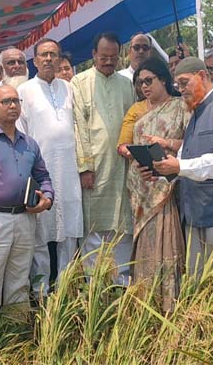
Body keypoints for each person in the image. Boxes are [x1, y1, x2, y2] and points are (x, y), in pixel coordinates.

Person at [0, 84, 53, 351]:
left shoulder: (30, 143)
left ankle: (14, 342)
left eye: (16, 100)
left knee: (19, 284)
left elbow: (44, 177)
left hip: (24, 220)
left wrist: (47, 198)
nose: (13, 105)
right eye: (6, 101)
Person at [153, 57, 213, 278]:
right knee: (199, 290)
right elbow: (186, 164)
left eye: (185, 82)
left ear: (202, 76)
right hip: (194, 215)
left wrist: (179, 166)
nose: (181, 89)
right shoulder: (195, 113)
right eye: (177, 85)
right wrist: (162, 172)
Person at [16, 38, 83, 296]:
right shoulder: (24, 91)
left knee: (68, 230)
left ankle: (66, 290)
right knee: (40, 234)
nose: (48, 59)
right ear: (34, 61)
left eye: (53, 55)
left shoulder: (69, 88)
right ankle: (41, 293)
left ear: (59, 59)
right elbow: (21, 134)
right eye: (43, 55)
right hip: (39, 172)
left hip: (69, 170)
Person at [71, 32, 136, 284]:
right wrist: (85, 167)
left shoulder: (126, 84)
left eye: (113, 57)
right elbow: (79, 126)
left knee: (122, 225)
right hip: (94, 168)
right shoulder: (80, 82)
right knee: (94, 228)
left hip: (122, 167)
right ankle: (94, 286)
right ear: (93, 55)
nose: (109, 62)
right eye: (103, 57)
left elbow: (132, 121)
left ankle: (121, 285)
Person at [127, 57, 187, 311]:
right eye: (140, 83)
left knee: (169, 247)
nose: (144, 87)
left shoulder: (181, 107)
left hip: (171, 190)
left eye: (149, 81)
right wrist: (141, 166)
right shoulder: (140, 117)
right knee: (146, 254)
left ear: (163, 79)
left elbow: (190, 144)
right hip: (145, 192)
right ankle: (146, 308)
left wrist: (167, 144)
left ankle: (171, 306)